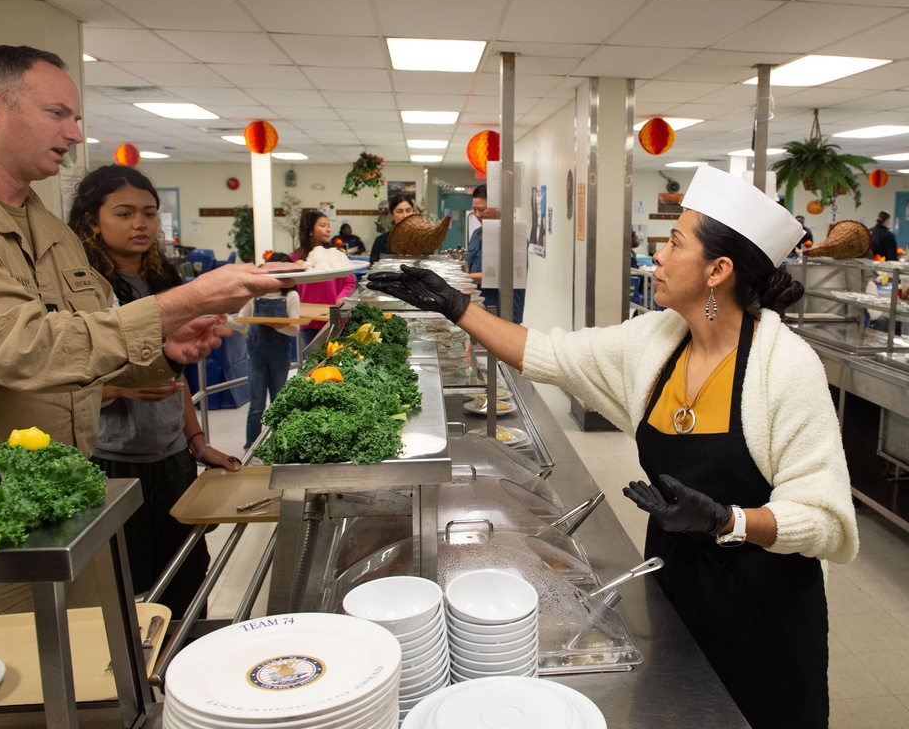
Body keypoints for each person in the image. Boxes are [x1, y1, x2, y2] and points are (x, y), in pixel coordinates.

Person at [367, 164, 859, 729]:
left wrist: (730, 520)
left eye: (675, 243)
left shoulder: (786, 367)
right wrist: (456, 308)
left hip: (765, 605)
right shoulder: (657, 340)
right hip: (674, 578)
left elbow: (825, 519)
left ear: (718, 270)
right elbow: (547, 354)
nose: (657, 257)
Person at [0, 44, 293, 615]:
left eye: (77, 118)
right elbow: (20, 349)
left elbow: (82, 348)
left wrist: (162, 352)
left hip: (71, 496)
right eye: (58, 114)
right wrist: (179, 302)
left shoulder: (51, 232)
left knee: (100, 672)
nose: (73, 132)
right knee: (5, 690)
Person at [68, 163, 240, 618]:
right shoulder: (84, 294)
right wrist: (117, 388)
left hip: (171, 460)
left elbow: (175, 376)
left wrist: (197, 442)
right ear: (91, 220)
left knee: (186, 575)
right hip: (111, 462)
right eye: (124, 213)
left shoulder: (165, 285)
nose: (140, 224)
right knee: (124, 587)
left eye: (148, 213)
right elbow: (58, 377)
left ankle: (182, 676)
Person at [236, 252, 300, 449]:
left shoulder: (291, 295)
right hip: (256, 355)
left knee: (279, 403)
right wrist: (224, 321)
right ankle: (251, 447)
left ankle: (279, 446)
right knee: (256, 405)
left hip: (280, 356)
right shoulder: (254, 295)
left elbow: (294, 329)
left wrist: (276, 325)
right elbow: (242, 322)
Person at [292, 210, 356, 353]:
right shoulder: (296, 259)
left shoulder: (337, 255)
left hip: (333, 320)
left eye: (328, 225)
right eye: (322, 225)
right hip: (308, 322)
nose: (328, 229)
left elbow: (350, 283)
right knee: (313, 367)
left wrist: (342, 297)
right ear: (309, 230)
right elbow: (288, 287)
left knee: (335, 364)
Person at [465, 184, 526, 323]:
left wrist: (467, 277)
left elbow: (510, 276)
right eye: (474, 210)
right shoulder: (477, 234)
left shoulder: (514, 236)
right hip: (478, 307)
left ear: (498, 207)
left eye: (482, 209)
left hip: (503, 310)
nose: (477, 215)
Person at [370, 192, 416, 264]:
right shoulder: (380, 242)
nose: (405, 215)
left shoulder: (423, 239)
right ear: (392, 215)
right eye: (399, 211)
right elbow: (373, 269)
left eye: (408, 210)